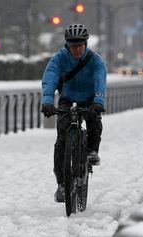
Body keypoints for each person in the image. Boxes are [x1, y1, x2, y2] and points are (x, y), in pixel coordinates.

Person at [41, 24, 107, 203]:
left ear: (86, 44)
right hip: (67, 98)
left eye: (80, 45)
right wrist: (47, 101)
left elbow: (100, 80)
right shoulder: (59, 59)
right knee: (61, 139)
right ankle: (62, 184)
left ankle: (92, 150)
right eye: (73, 46)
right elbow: (50, 78)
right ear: (67, 46)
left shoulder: (95, 60)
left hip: (89, 98)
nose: (77, 49)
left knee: (94, 119)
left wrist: (99, 101)